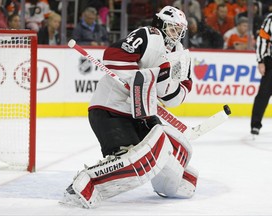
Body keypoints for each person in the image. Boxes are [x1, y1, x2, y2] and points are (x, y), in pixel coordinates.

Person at [61, 6, 198, 208]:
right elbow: (113, 55)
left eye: (179, 31)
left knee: (163, 148)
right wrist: (143, 77)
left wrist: (159, 80)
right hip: (111, 109)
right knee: (130, 159)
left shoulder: (179, 54)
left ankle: (174, 178)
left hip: (142, 112)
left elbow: (172, 97)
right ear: (160, 24)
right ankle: (81, 186)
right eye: (172, 29)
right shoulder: (149, 35)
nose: (175, 35)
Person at [250, 12, 272, 135]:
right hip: (271, 62)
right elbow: (262, 39)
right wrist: (261, 61)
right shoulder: (270, 19)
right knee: (263, 95)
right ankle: (256, 125)